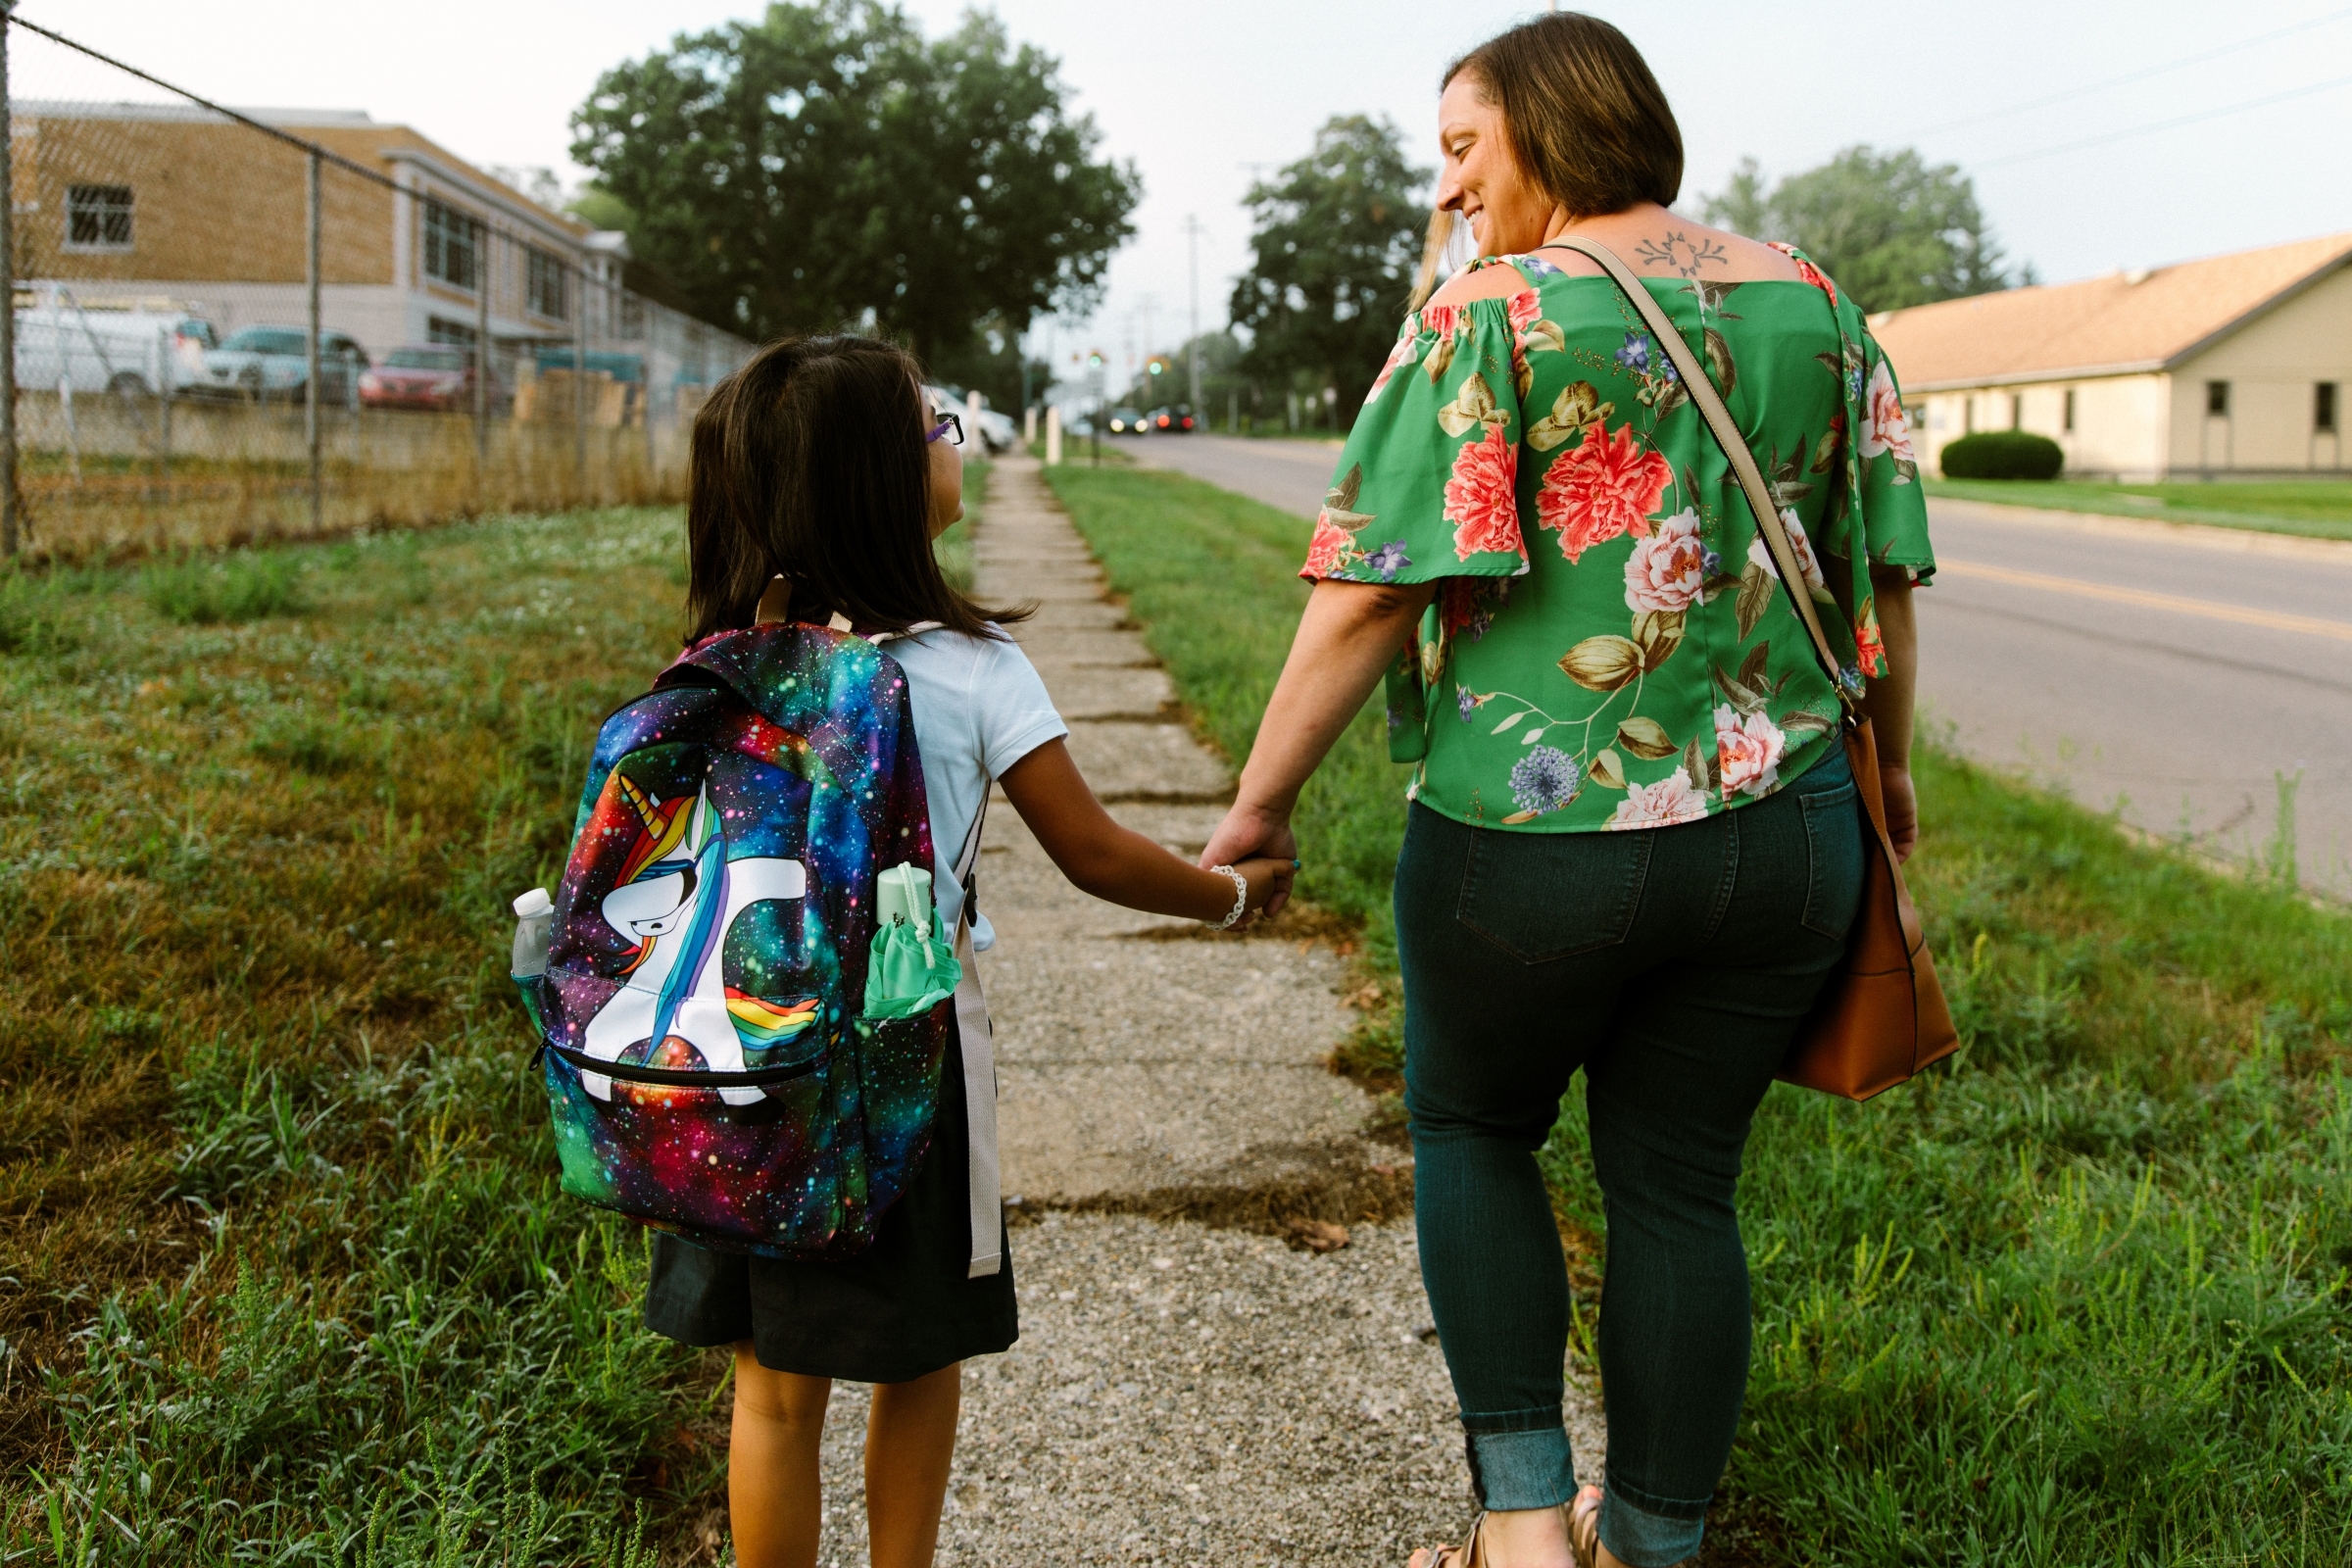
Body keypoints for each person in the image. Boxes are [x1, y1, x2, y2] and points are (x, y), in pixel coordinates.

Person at [1198, 15, 1934, 1568]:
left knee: (1474, 1129)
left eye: (1465, 149)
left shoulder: (1492, 315)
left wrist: (1260, 804)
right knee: (1680, 1186)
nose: (1452, 191)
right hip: (1788, 837)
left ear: (1549, 125)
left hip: (1533, 841)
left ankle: (1524, 1531)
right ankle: (1652, 1545)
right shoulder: (1817, 302)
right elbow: (1888, 583)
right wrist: (1898, 777)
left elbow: (1367, 597)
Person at [644, 334, 1296, 1568]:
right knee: (919, 1358)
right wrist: (1228, 896)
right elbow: (1092, 851)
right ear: (884, 487)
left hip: (740, 1055)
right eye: (934, 423)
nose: (954, 436)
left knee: (773, 1391)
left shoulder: (725, 666)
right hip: (904, 1067)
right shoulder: (973, 666)